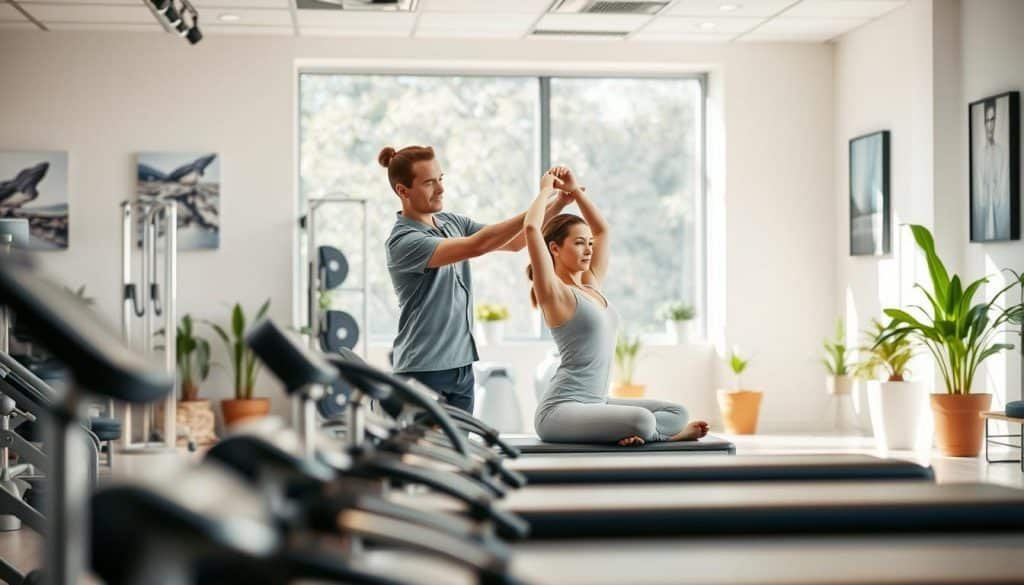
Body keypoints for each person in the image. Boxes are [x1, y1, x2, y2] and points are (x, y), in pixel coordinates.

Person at [526, 165, 709, 446]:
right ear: (554, 249)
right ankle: (662, 436)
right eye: (579, 243)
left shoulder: (591, 285)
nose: (588, 249)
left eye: (589, 244)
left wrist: (575, 191)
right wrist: (545, 193)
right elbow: (531, 228)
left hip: (597, 402)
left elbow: (602, 230)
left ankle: (645, 433)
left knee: (676, 411)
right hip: (560, 411)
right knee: (643, 420)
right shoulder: (555, 293)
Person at [379, 145, 570, 413]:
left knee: (462, 452)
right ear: (403, 191)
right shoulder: (404, 241)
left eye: (441, 178)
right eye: (429, 183)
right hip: (423, 371)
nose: (441, 189)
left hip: (461, 369)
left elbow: (515, 242)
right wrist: (541, 198)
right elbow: (477, 245)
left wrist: (558, 201)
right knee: (430, 454)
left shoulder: (450, 222)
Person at [974, 99, 1011, 240]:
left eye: (992, 120)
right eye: (987, 120)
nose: (990, 125)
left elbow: (1002, 192)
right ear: (983, 123)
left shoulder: (1001, 153)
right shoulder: (980, 154)